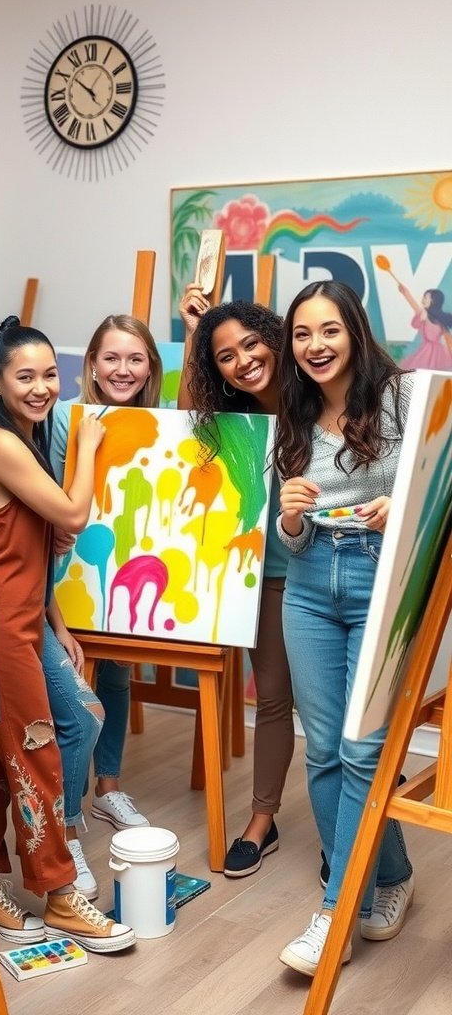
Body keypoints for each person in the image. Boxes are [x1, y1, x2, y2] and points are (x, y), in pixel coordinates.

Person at [0, 316, 135, 953]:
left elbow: (31, 548)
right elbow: (73, 513)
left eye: (49, 374)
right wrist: (86, 443)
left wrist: (55, 624)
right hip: (3, 629)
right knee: (36, 749)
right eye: (24, 376)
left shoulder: (22, 441)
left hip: (25, 622)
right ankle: (60, 895)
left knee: (9, 748)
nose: (41, 387)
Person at [274, 280, 414, 977]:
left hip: (378, 584)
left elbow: (440, 488)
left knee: (364, 750)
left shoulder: (405, 398)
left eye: (328, 330)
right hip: (306, 591)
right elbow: (289, 540)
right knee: (324, 751)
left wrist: (404, 506)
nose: (315, 346)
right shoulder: (291, 413)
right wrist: (291, 517)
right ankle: (386, 876)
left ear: (355, 331)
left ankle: (336, 910)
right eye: (302, 334)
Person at [177, 285, 294, 879]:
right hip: (266, 577)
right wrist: (196, 333)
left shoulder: (318, 397)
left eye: (251, 344)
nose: (244, 359)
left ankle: (357, 830)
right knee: (273, 700)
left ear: (274, 338)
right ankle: (261, 820)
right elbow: (177, 430)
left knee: (342, 717)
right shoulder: (231, 420)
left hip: (337, 572)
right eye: (226, 355)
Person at [47, 314, 163, 870]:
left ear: (150, 367)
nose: (123, 369)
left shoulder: (159, 423)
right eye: (111, 357)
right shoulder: (62, 423)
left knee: (116, 673)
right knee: (75, 703)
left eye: (135, 358)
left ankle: (108, 788)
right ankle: (62, 817)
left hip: (119, 573)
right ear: (91, 363)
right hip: (62, 577)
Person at [398, 283, 452, 370]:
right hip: (426, 351)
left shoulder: (441, 320)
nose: (422, 300)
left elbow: (447, 340)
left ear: (433, 301)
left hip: (439, 353)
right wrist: (405, 292)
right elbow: (413, 303)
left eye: (425, 298)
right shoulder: (424, 313)